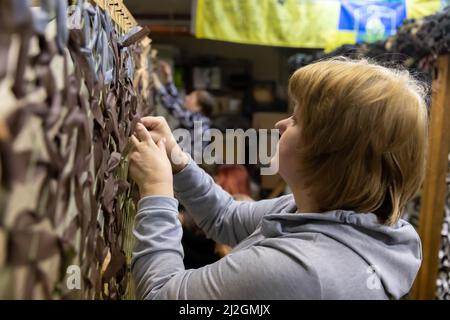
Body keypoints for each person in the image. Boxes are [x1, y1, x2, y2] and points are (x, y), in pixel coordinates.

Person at [128, 58, 428, 299]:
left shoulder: (300, 271)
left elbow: (160, 294)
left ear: (330, 152)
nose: (281, 123)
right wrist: (178, 163)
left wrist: (157, 190)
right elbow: (226, 217)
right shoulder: (324, 213)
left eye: (298, 119)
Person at [152, 62, 216, 158]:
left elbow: (173, 107)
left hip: (184, 163)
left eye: (191, 97)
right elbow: (176, 101)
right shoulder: (198, 118)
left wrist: (158, 85)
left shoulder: (197, 121)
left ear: (198, 107)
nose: (186, 97)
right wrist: (168, 78)